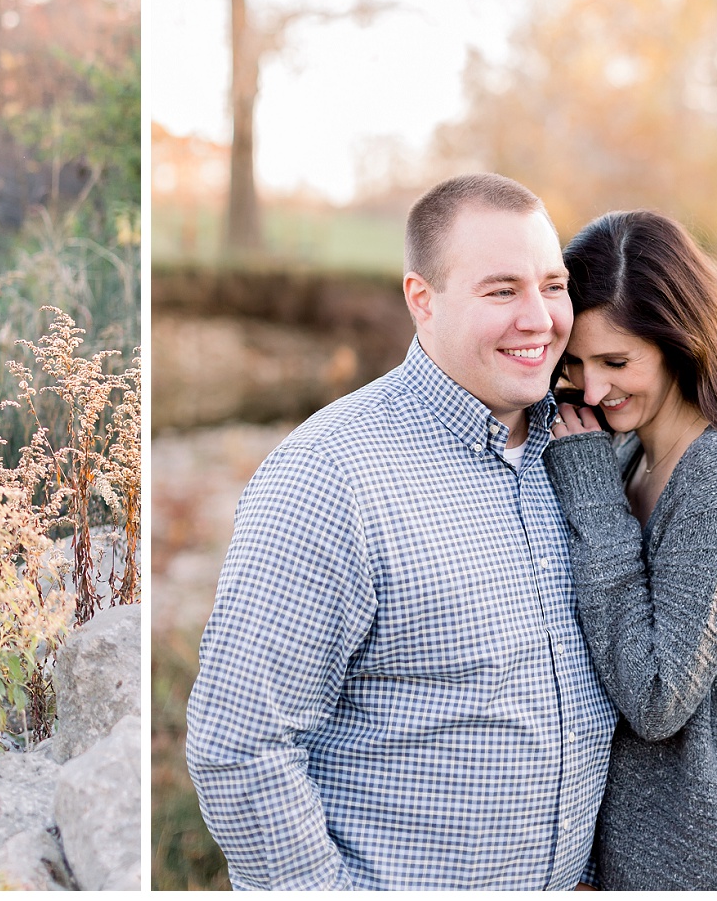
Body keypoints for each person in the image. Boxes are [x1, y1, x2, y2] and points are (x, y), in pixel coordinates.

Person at [186, 173, 617, 890]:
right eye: (501, 290)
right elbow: (240, 742)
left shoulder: (580, 452)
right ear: (422, 298)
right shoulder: (331, 478)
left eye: (552, 284)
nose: (540, 318)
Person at [543, 209, 717, 890]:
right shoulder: (634, 454)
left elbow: (658, 696)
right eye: (576, 363)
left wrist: (585, 484)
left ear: (678, 342)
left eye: (617, 361)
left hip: (716, 865)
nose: (595, 388)